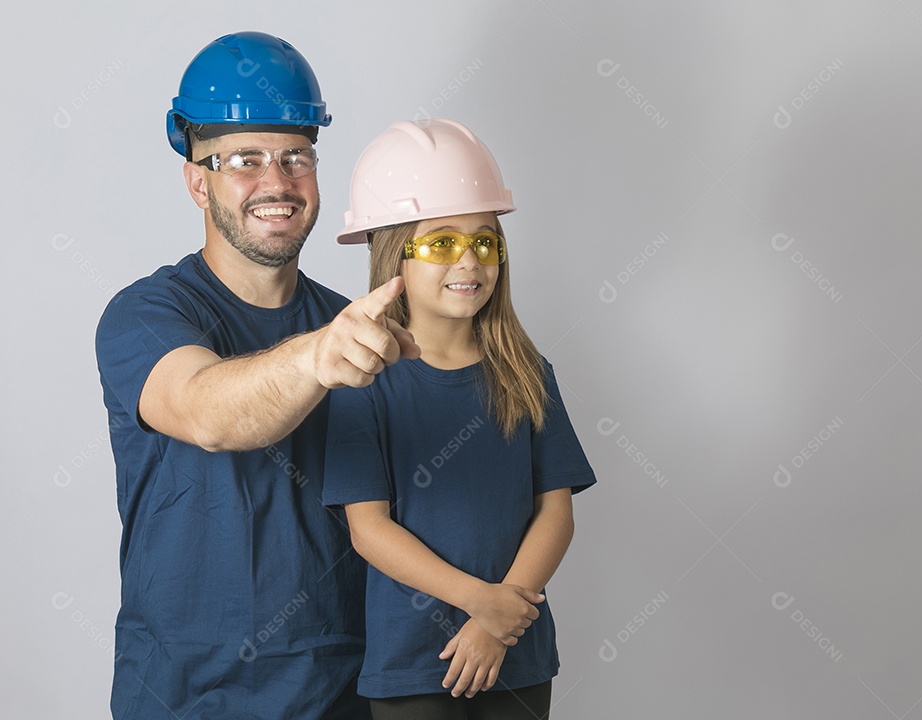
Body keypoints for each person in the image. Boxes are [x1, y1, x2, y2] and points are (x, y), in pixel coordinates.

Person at [95, 32, 417, 720]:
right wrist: (316, 359)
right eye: (243, 159)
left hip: (342, 693)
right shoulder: (145, 315)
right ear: (196, 179)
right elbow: (208, 414)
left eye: (295, 157)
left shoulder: (355, 331)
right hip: (184, 697)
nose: (277, 182)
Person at [324, 118, 596, 720]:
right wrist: (481, 604)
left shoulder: (527, 371)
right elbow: (368, 529)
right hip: (413, 662)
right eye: (442, 242)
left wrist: (500, 623)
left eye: (486, 240)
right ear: (394, 255)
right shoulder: (361, 379)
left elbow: (556, 510)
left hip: (517, 654)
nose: (470, 259)